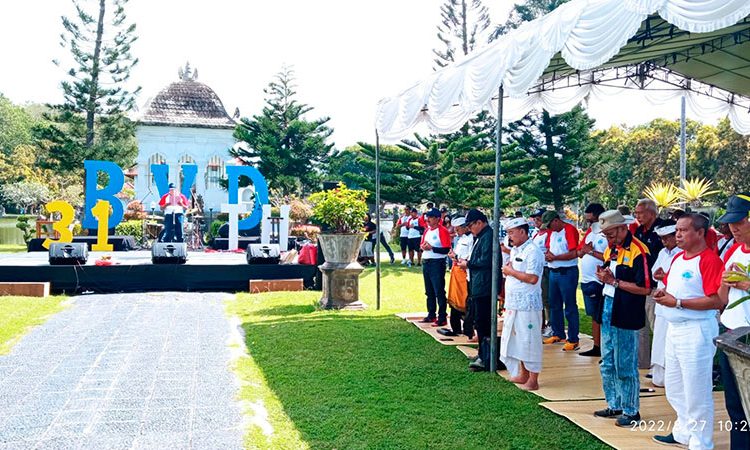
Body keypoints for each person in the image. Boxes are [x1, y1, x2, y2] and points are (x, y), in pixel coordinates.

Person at [652, 213, 724, 449]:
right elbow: (673, 290)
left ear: (700, 233)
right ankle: (683, 431)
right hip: (674, 328)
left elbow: (716, 301)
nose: (678, 235)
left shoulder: (709, 260)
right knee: (674, 386)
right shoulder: (678, 258)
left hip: (696, 330)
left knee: (696, 390)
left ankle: (701, 442)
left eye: (683, 230)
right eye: (677, 230)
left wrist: (678, 303)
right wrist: (663, 294)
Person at [594, 210, 651, 428]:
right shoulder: (611, 249)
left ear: (622, 228)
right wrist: (604, 276)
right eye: (605, 235)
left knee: (624, 363)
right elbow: (610, 275)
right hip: (608, 307)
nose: (608, 238)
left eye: (610, 234)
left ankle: (631, 410)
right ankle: (614, 403)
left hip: (626, 312)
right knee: (607, 361)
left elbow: (645, 288)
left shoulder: (639, 251)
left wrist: (614, 282)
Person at [717, 194, 750, 450]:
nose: (734, 229)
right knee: (735, 404)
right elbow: (721, 297)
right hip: (731, 333)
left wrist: (745, 283)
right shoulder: (734, 250)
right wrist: (725, 283)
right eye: (730, 223)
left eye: (739, 222)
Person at [500, 217, 544, 391]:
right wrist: (509, 271)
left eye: (511, 233)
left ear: (522, 231)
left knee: (530, 339)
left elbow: (532, 278)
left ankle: (533, 379)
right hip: (514, 302)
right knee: (518, 338)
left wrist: (511, 271)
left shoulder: (533, 251)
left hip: (528, 303)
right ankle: (523, 373)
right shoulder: (515, 250)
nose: (509, 237)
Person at [458, 209, 502, 371]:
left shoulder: (488, 236)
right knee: (480, 320)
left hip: (486, 284)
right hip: (480, 283)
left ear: (479, 222)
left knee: (484, 321)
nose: (470, 229)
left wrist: (468, 264)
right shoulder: (482, 236)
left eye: (471, 226)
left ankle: (487, 356)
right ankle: (483, 353)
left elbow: (486, 260)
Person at [632, 198, 665, 369]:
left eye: (640, 213)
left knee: (657, 326)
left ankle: (661, 365)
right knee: (640, 326)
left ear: (652, 213)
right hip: (639, 284)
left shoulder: (662, 230)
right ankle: (642, 362)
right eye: (636, 213)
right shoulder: (638, 231)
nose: (637, 216)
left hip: (655, 286)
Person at [541, 211, 580, 351]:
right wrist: (548, 255)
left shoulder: (569, 230)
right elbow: (548, 248)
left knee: (569, 305)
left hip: (567, 271)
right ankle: (558, 333)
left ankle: (573, 338)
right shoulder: (551, 232)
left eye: (550, 225)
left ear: (556, 220)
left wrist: (555, 258)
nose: (549, 228)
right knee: (554, 304)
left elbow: (573, 252)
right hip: (553, 271)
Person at [649, 221, 679, 388]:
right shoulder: (662, 252)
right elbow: (654, 272)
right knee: (660, 339)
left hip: (675, 302)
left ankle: (671, 377)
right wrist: (659, 275)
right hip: (661, 303)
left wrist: (665, 276)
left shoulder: (681, 253)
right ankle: (658, 374)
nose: (664, 241)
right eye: (662, 238)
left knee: (671, 341)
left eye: (667, 238)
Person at [577, 203, 607, 357]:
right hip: (586, 280)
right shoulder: (590, 233)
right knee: (593, 315)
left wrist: (591, 252)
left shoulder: (607, 234)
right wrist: (583, 251)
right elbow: (580, 252)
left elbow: (609, 257)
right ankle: (596, 345)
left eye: (591, 220)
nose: (589, 224)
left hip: (599, 280)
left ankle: (602, 346)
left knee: (600, 315)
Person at [418, 208, 451, 327]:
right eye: (428, 217)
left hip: (437, 262)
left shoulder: (442, 231)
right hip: (426, 261)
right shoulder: (427, 230)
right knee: (429, 291)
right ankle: (431, 313)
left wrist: (432, 248)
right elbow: (422, 244)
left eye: (431, 217)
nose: (428, 220)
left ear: (437, 219)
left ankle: (442, 316)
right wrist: (423, 247)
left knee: (439, 290)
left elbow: (446, 249)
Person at [442, 217, 473, 338]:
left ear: (465, 227)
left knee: (464, 300)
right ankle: (456, 327)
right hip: (456, 271)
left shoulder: (471, 239)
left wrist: (456, 256)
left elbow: (468, 257)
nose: (456, 231)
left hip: (464, 273)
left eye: (458, 229)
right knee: (454, 299)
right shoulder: (461, 239)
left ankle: (468, 328)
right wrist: (453, 255)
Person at [530, 209, 552, 337]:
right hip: (538, 269)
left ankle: (550, 324)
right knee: (540, 298)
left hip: (546, 268)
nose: (536, 222)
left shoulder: (548, 234)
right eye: (535, 219)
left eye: (539, 219)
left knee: (547, 298)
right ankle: (541, 323)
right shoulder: (536, 234)